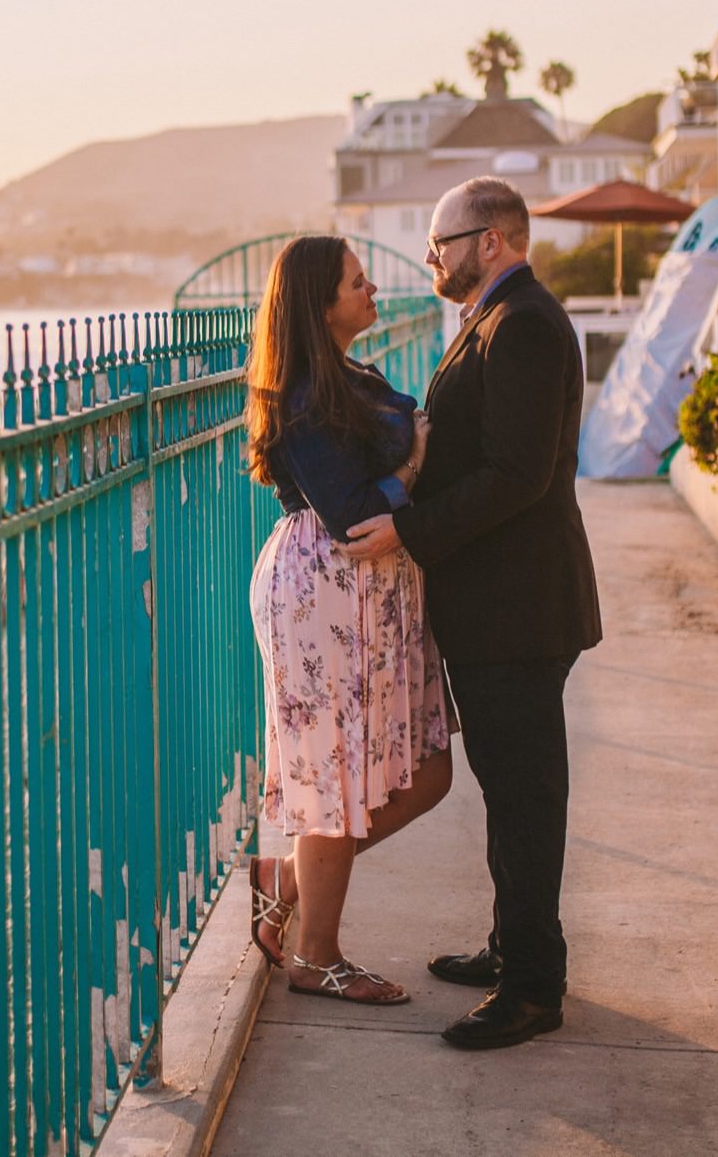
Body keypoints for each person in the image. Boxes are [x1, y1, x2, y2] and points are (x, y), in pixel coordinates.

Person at [345, 177, 602, 1050]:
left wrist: (407, 532)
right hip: (501, 603)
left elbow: (518, 474)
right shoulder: (498, 320)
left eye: (440, 245)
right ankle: (511, 946)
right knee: (508, 788)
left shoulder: (522, 324)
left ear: (489, 241)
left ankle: (535, 986)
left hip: (520, 606)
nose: (432, 261)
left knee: (526, 797)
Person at [241, 235, 455, 1005]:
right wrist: (410, 465)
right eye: (357, 284)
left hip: (372, 595)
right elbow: (353, 514)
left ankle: (287, 877)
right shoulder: (299, 395)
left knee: (428, 773)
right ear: (319, 303)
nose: (373, 293)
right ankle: (315, 955)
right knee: (335, 781)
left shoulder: (349, 374)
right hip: (325, 596)